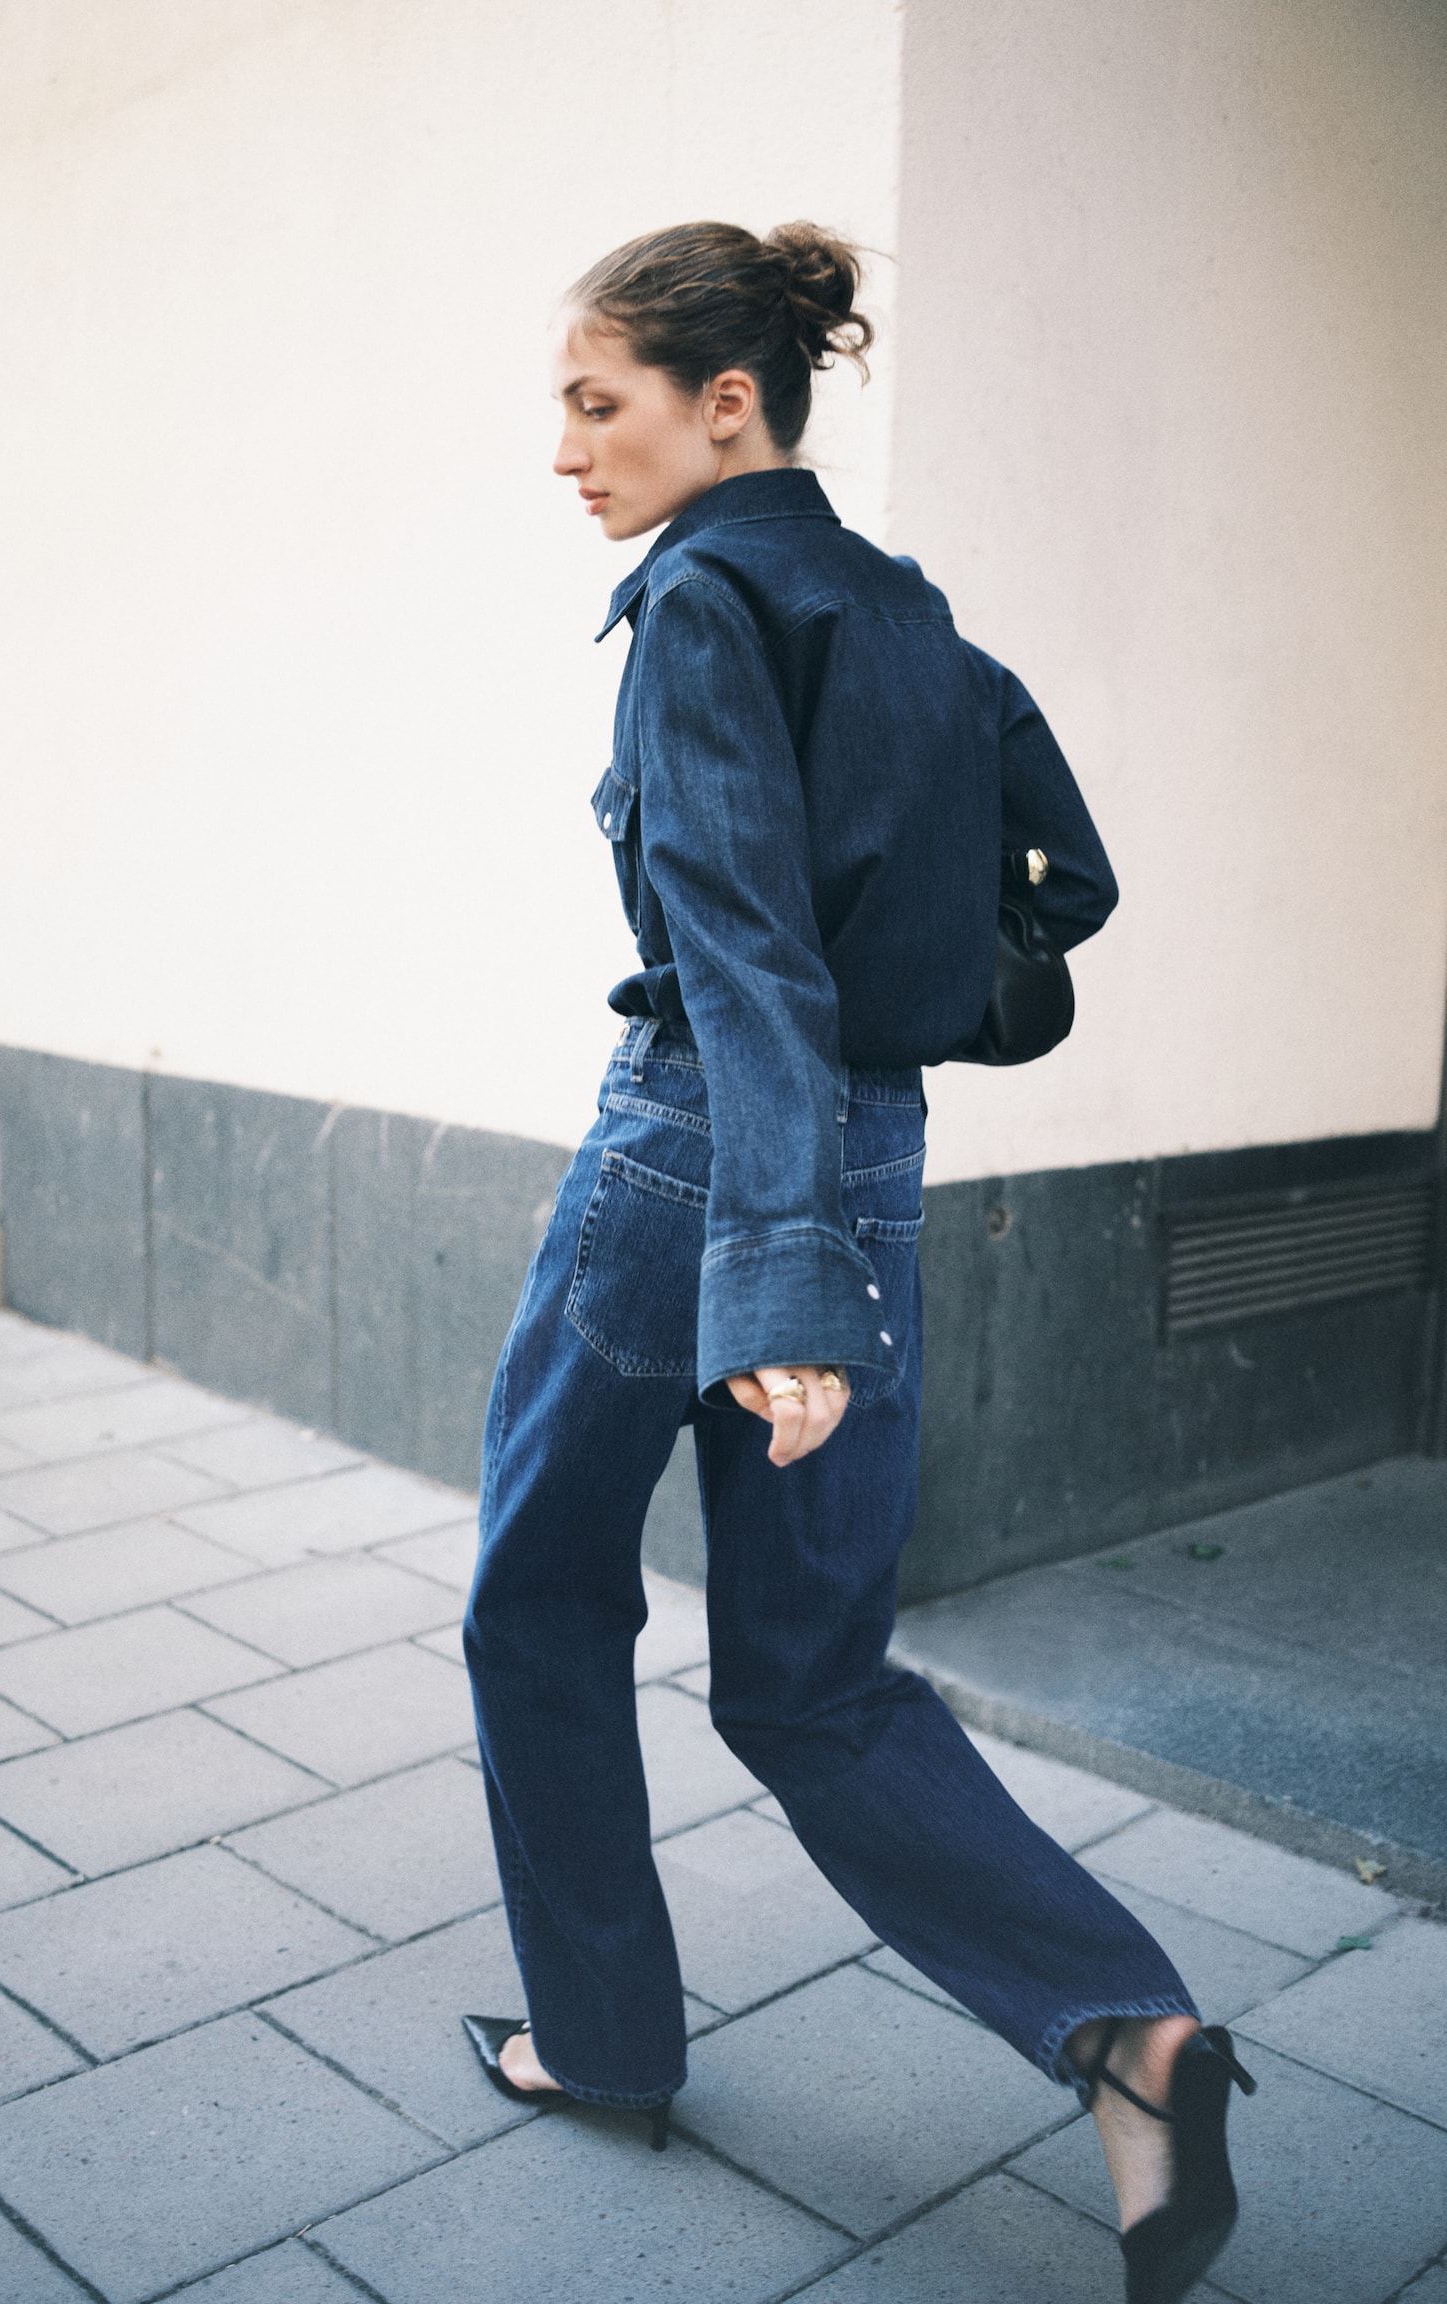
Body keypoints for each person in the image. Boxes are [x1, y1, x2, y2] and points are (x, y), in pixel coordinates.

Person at [461, 220, 1253, 2303]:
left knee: (538, 1603)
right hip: (870, 1165)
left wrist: (778, 1282)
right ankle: (1128, 2029)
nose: (567, 451)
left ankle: (603, 2038)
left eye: (597, 403)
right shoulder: (908, 609)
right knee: (813, 1681)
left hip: (697, 1174)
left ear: (727, 405)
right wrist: (922, 1010)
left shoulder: (702, 600)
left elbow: (736, 944)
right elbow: (1066, 884)